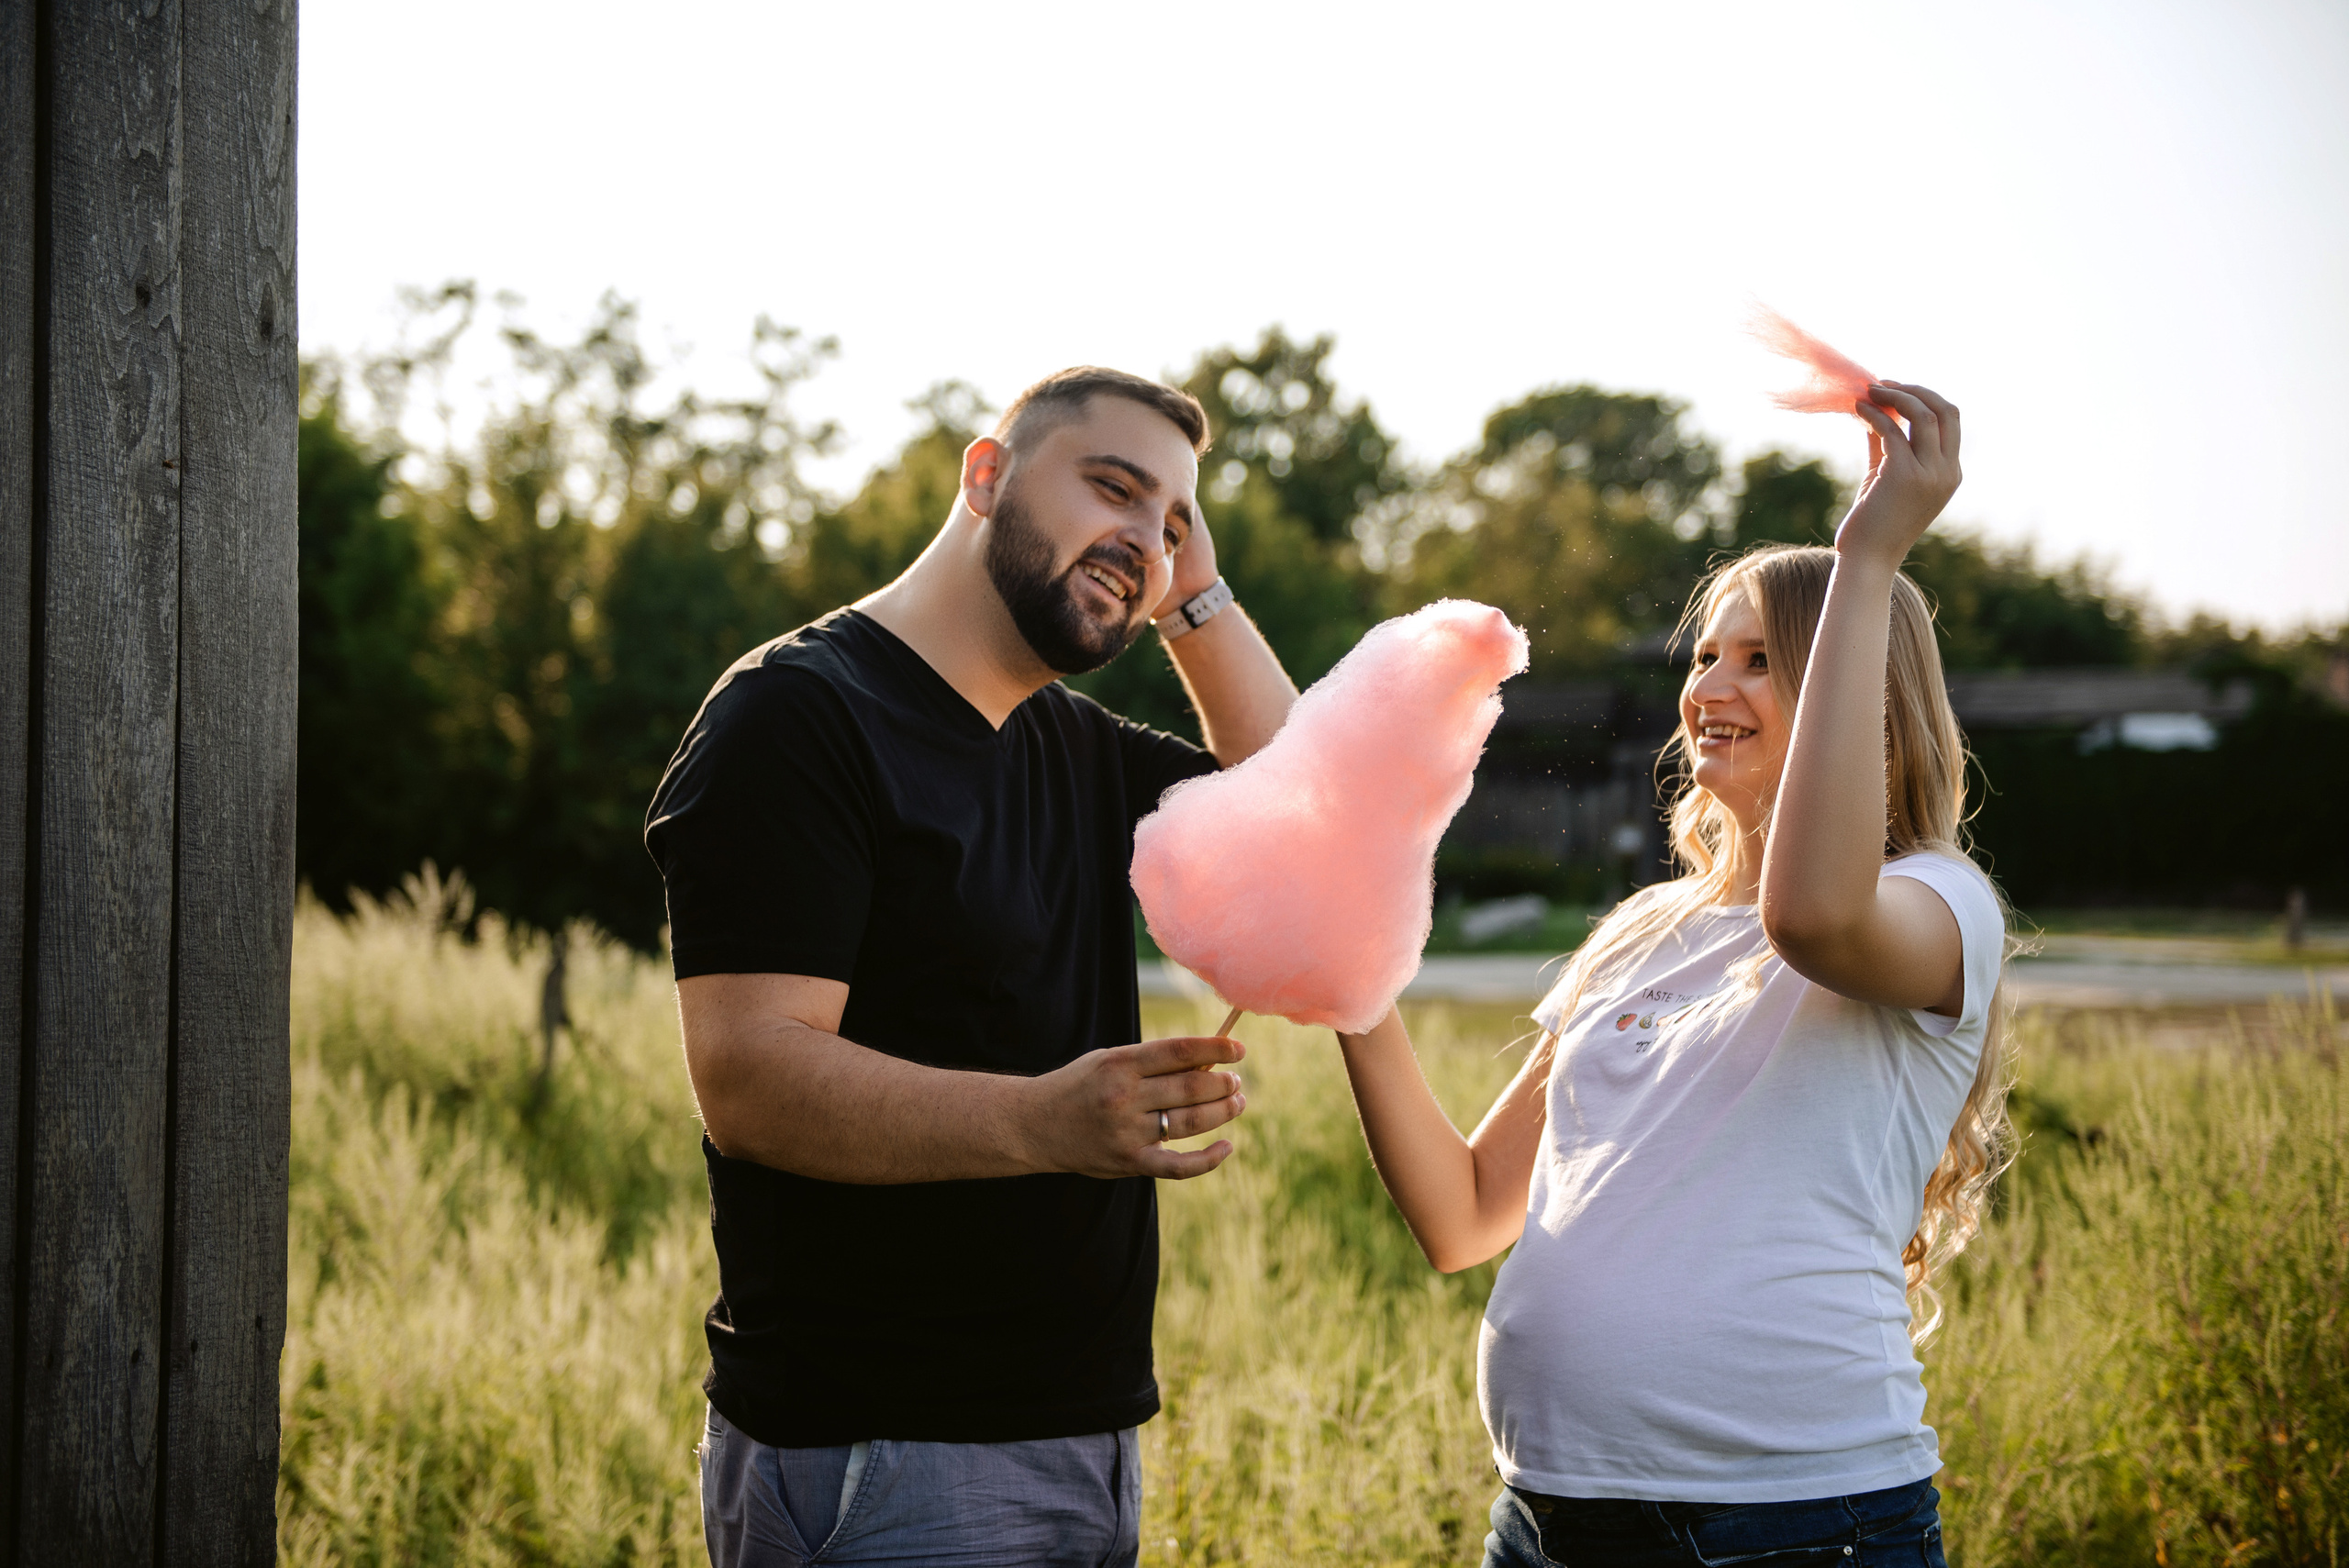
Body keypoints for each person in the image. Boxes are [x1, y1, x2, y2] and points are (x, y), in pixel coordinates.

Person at [1333, 382, 2009, 1567]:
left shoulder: (1939, 905)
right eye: (1706, 655)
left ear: (1861, 695)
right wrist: (1351, 980)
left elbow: (1811, 914)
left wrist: (1867, 558)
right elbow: (1459, 1213)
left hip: (1792, 1531)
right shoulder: (1644, 928)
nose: (1711, 686)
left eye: (1763, 659)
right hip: (1544, 1525)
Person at [644, 367, 1298, 1567]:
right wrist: (1053, 1120)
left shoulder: (1080, 749)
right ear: (986, 475)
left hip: (1088, 1442)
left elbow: (1310, 812)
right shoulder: (796, 717)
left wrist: (1192, 596)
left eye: (1171, 524)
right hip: (885, 1459)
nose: (1142, 541)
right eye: (1113, 488)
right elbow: (748, 1077)